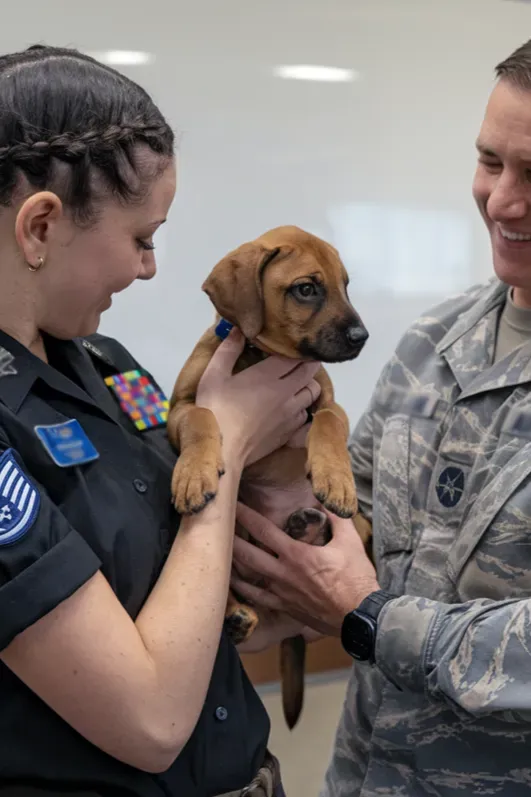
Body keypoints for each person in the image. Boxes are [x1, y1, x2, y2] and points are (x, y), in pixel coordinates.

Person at [0, 44, 322, 797]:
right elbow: (148, 719)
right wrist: (231, 441)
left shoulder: (107, 365)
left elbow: (178, 596)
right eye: (141, 238)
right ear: (40, 228)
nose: (149, 268)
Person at [230, 37, 531, 797]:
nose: (500, 202)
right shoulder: (433, 341)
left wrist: (368, 618)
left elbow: (358, 601)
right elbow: (340, 514)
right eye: (489, 162)